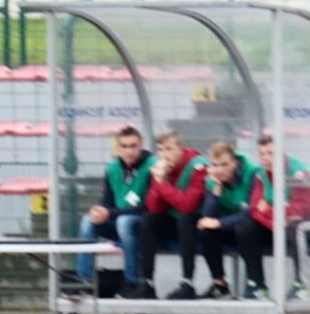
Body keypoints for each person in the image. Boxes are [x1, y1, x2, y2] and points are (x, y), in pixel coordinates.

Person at [247, 132, 310, 300]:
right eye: (262, 154)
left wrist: (268, 210)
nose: (265, 158)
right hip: (281, 223)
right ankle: (257, 285)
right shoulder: (261, 174)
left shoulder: (298, 174)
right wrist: (274, 217)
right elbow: (254, 208)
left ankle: (302, 286)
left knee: (297, 228)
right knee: (247, 227)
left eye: (270, 153)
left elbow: (299, 211)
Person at [74, 124, 154, 298]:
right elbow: (107, 201)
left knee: (124, 222)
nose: (129, 151)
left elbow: (149, 207)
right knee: (88, 220)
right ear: (118, 148)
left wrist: (110, 214)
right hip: (117, 222)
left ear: (141, 146)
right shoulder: (112, 168)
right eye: (124, 146)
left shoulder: (152, 166)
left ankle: (132, 282)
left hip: (144, 225)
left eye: (133, 146)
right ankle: (84, 280)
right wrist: (100, 211)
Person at [143, 129, 222, 299]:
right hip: (175, 220)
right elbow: (154, 207)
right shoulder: (159, 168)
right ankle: (146, 283)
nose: (164, 155)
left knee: (185, 220)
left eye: (169, 149)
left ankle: (187, 282)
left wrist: (161, 184)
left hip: (198, 221)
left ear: (180, 149)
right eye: (160, 150)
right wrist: (159, 180)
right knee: (149, 219)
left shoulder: (197, 167)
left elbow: (187, 206)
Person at [194, 140, 258, 299]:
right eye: (215, 165)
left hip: (252, 227)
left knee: (244, 227)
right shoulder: (213, 179)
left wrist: (219, 223)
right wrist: (216, 189)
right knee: (205, 230)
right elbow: (207, 216)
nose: (219, 170)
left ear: (234, 163)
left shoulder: (253, 173)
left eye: (224, 165)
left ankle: (254, 284)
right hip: (227, 227)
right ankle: (219, 284)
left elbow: (253, 212)